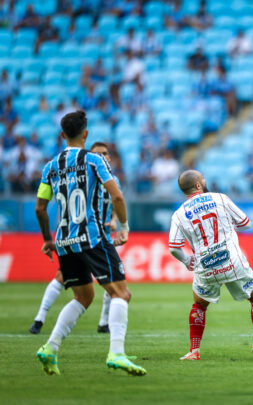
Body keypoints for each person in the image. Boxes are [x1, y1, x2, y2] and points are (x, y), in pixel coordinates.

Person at [34, 111, 145, 376]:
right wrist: (125, 226)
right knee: (121, 293)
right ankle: (116, 353)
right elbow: (117, 197)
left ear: (62, 135)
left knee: (83, 297)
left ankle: (50, 347)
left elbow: (40, 208)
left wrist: (48, 240)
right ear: (86, 133)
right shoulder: (94, 160)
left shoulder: (50, 167)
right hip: (92, 237)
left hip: (65, 241)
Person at [168, 170, 253, 361]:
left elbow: (174, 247)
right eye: (203, 179)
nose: (205, 180)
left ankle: (194, 351)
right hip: (232, 261)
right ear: (198, 185)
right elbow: (246, 223)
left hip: (205, 266)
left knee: (199, 306)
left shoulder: (178, 214)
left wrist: (186, 260)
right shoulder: (220, 199)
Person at [29, 142, 120, 335]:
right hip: (83, 235)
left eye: (105, 154)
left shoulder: (113, 180)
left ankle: (103, 323)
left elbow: (116, 203)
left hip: (100, 236)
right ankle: (40, 317)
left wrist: (113, 221)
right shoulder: (84, 174)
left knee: (108, 285)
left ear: (109, 157)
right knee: (111, 285)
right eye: (98, 154)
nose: (102, 157)